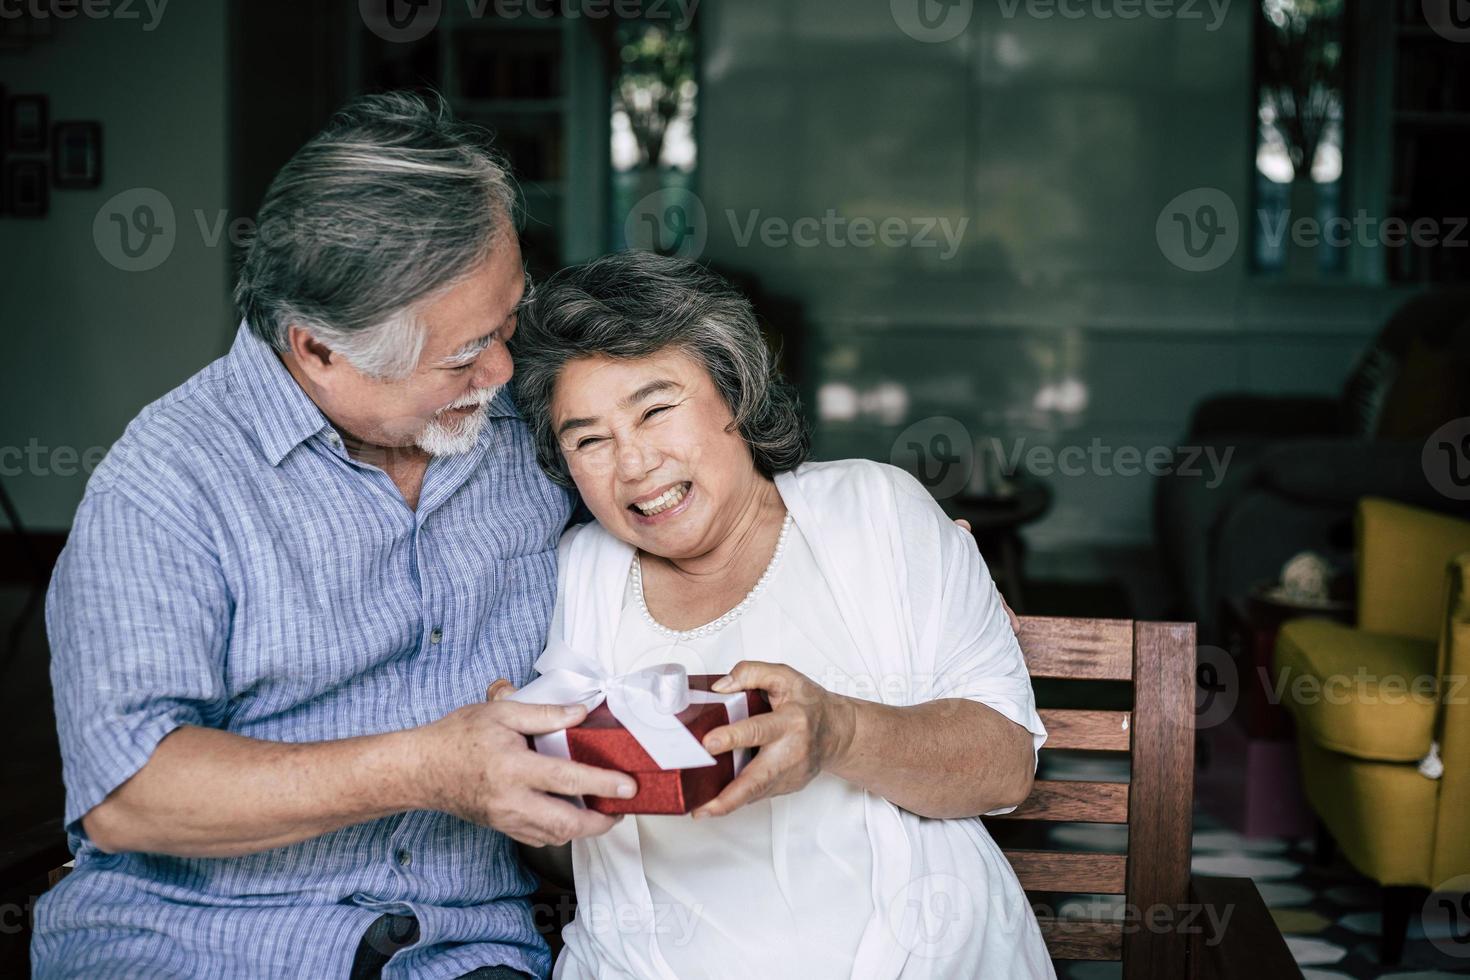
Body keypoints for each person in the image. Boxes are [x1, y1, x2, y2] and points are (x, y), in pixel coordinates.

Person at [34, 92, 639, 980]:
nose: (506, 369)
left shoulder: (529, 428)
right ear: (317, 349)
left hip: (458, 951)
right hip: (193, 944)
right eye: (465, 353)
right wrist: (429, 769)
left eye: (509, 322)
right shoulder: (167, 482)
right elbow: (130, 797)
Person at [508, 251, 1055, 979]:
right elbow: (566, 850)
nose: (632, 463)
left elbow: (1005, 769)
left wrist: (839, 732)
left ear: (734, 394)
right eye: (589, 440)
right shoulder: (574, 573)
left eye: (655, 409)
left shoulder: (876, 514)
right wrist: (533, 788)